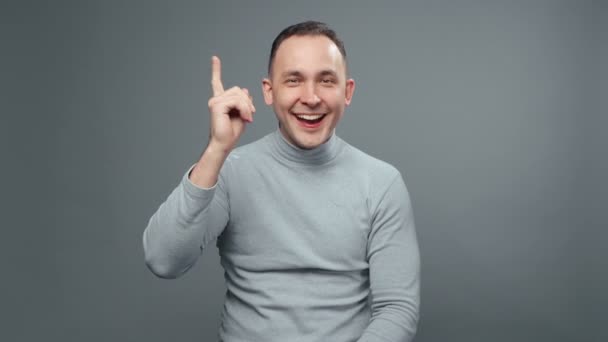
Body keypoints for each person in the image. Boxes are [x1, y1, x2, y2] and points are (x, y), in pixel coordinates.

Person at [143, 21, 420, 342]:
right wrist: (216, 150)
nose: (311, 97)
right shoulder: (230, 171)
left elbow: (397, 309)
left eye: (326, 80)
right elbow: (164, 260)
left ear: (347, 92)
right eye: (294, 80)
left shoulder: (382, 183)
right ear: (268, 91)